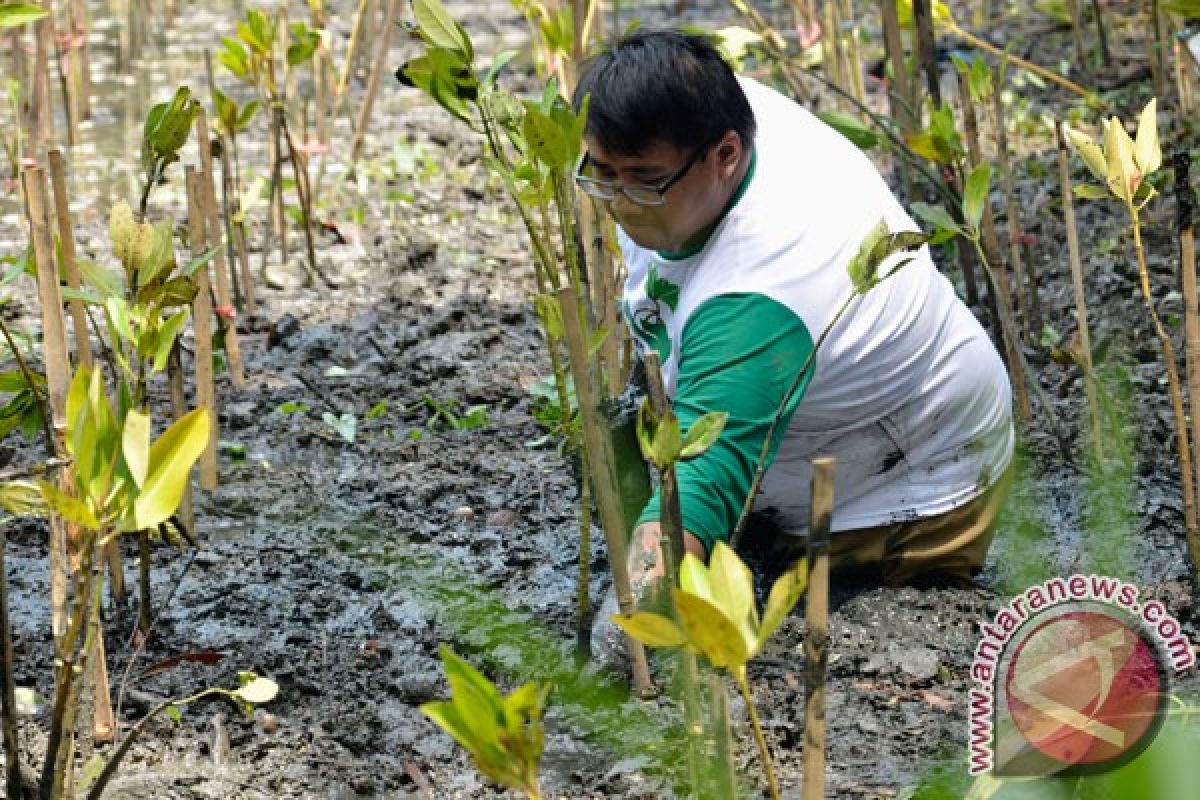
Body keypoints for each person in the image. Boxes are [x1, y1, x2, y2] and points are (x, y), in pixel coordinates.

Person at [572, 31, 1014, 632]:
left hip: (905, 489)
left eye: (643, 180)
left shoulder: (762, 294)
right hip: (818, 428)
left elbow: (705, 482)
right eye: (602, 174)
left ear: (725, 155)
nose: (620, 202)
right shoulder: (705, 117)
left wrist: (622, 634)